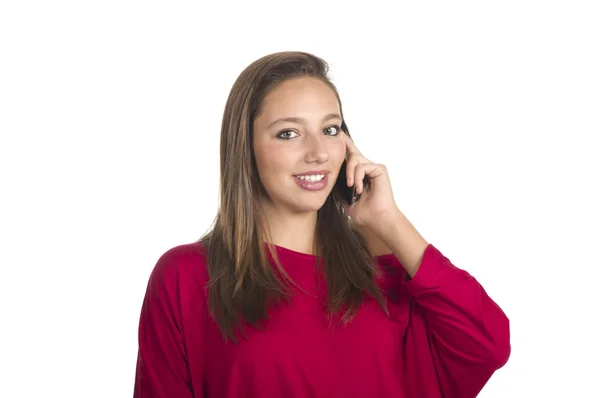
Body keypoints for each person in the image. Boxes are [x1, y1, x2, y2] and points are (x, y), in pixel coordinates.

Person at [133, 51, 511, 398]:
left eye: (330, 130)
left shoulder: (382, 271)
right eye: (289, 133)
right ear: (245, 147)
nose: (317, 153)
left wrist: (388, 221)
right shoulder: (187, 276)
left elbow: (487, 343)